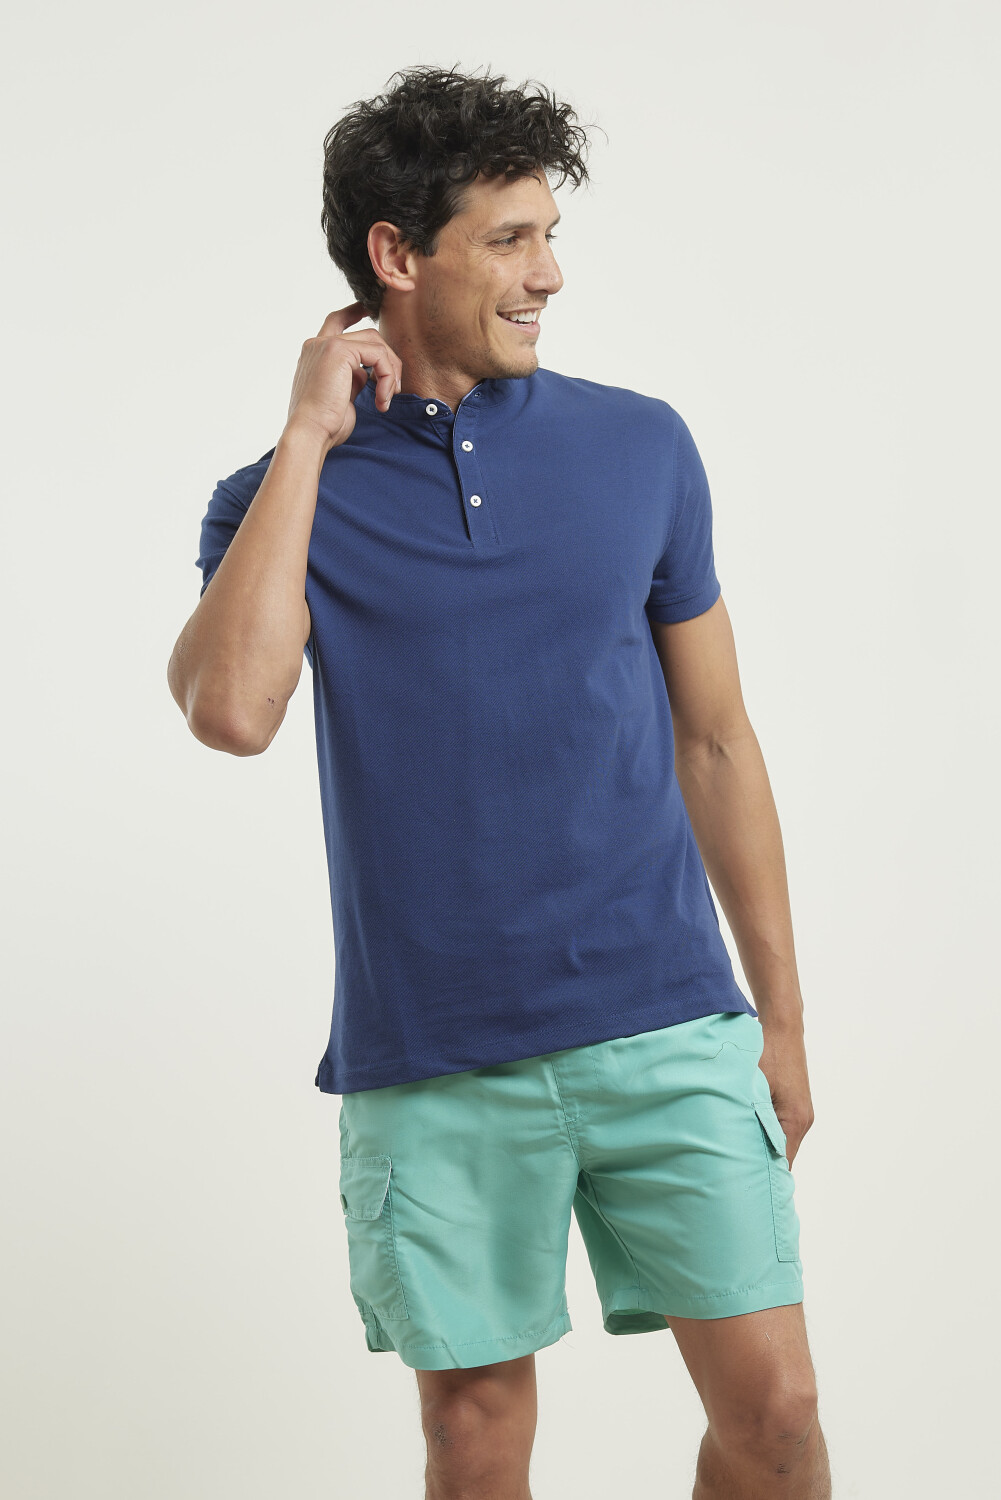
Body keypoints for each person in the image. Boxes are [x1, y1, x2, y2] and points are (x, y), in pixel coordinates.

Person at [168, 63, 831, 1500]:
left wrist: (780, 1019)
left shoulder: (640, 445)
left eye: (550, 235)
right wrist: (306, 438)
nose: (551, 275)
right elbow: (230, 710)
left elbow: (716, 740)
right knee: (472, 1444)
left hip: (665, 1018)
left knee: (776, 1414)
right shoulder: (278, 496)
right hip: (435, 1053)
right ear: (397, 257)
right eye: (512, 240)